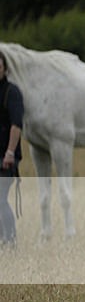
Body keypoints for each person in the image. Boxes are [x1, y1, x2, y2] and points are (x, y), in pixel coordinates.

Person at [0, 51, 23, 249]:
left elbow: (16, 125)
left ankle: (10, 240)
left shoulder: (12, 92)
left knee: (0, 199)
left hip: (6, 158)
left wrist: (9, 153)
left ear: (5, 68)